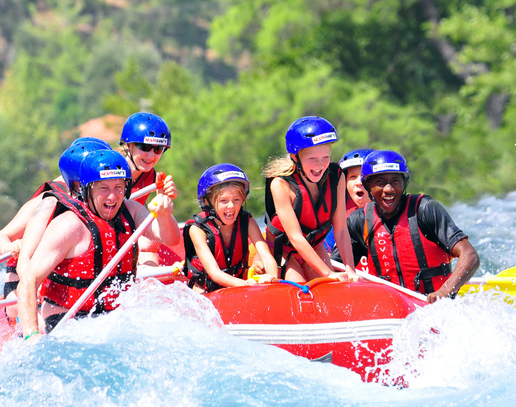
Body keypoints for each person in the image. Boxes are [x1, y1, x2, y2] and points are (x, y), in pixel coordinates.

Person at [17, 150, 178, 341]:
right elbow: (28, 281)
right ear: (87, 190)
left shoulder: (132, 211)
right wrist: (31, 336)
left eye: (118, 187)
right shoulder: (69, 225)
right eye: (103, 188)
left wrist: (165, 214)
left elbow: (170, 238)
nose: (112, 197)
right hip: (67, 319)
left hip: (113, 319)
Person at [334, 150, 480, 304]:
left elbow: (470, 256)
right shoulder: (359, 220)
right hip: (389, 307)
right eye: (380, 182)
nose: (388, 189)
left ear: (404, 184)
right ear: (368, 186)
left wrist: (444, 292)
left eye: (395, 181)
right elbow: (335, 267)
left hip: (434, 307)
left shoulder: (425, 209)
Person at [0, 138, 111, 321]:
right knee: (17, 309)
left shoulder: (104, 202)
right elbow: (0, 240)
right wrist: (10, 248)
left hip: (56, 274)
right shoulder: (49, 202)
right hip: (23, 273)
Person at [261, 116, 358, 283]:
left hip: (313, 245)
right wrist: (328, 273)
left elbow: (341, 230)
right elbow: (295, 237)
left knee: (328, 288)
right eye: (312, 159)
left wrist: (351, 270)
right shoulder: (281, 185)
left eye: (325, 158)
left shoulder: (337, 177)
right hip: (282, 248)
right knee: (298, 285)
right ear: (295, 157)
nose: (319, 165)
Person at [183, 164, 279, 292]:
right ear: (207, 201)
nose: (231, 206)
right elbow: (214, 273)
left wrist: (271, 276)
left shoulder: (248, 221)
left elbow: (267, 257)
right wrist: (245, 284)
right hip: (205, 290)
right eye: (223, 201)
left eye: (236, 199)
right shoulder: (197, 229)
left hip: (237, 285)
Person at [119, 112, 179, 265]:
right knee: (146, 245)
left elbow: (170, 239)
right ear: (128, 145)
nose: (151, 156)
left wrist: (164, 209)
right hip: (98, 240)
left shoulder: (150, 177)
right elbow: (55, 187)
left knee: (148, 246)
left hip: (122, 240)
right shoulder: (108, 167)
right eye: (145, 147)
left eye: (158, 149)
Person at [323, 148, 375, 254]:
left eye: (364, 176)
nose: (359, 182)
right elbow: (326, 253)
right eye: (353, 177)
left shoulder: (393, 216)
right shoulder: (344, 220)